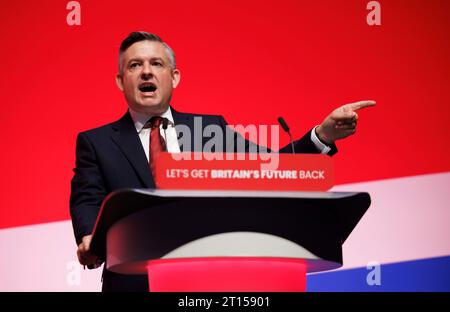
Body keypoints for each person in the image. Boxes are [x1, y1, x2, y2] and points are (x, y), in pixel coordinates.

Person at [70, 31, 375, 292]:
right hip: (134, 283)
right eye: (135, 65)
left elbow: (271, 168)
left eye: (156, 64)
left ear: (174, 76)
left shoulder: (209, 130)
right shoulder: (96, 142)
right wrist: (89, 237)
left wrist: (322, 135)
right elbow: (87, 197)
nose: (146, 72)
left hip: (209, 285)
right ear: (121, 80)